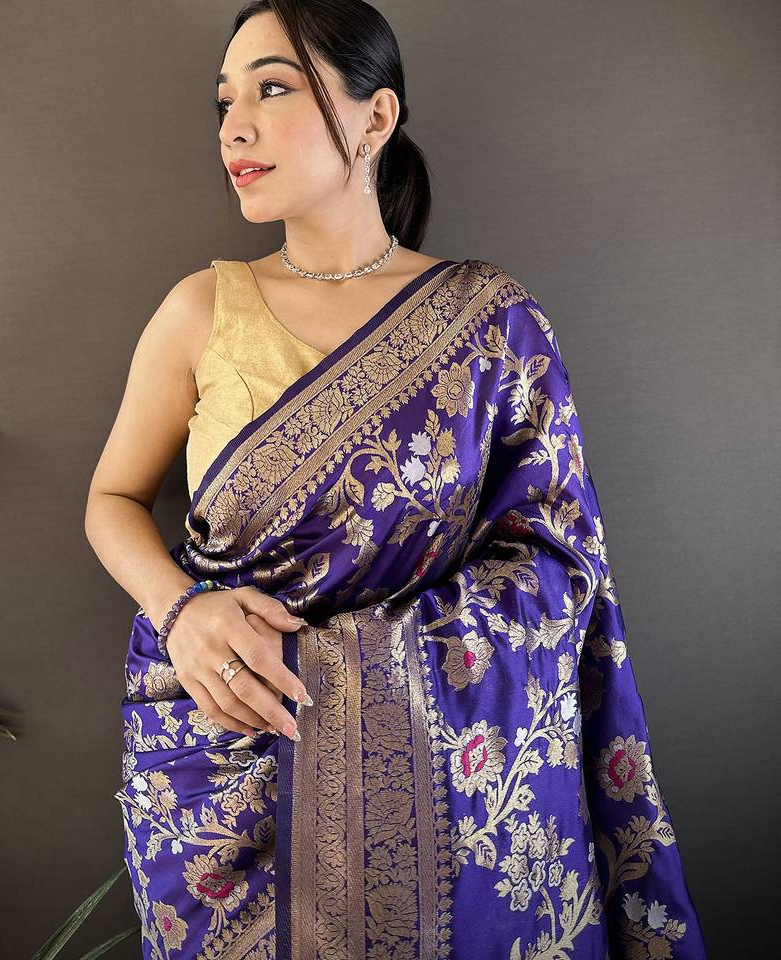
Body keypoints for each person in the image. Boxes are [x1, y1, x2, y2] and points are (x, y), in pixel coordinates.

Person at [84, 2, 708, 958]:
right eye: (224, 101)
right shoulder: (201, 309)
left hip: (451, 800)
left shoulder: (490, 321)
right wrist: (182, 613)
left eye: (272, 88)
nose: (233, 127)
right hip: (228, 775)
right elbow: (112, 501)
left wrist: (357, 666)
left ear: (375, 118)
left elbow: (557, 563)